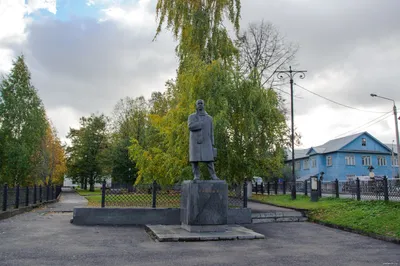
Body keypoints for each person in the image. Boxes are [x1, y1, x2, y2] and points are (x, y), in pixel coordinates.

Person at [188, 99, 219, 180]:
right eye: (198, 103)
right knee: (194, 161)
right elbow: (190, 126)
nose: (200, 104)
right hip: (195, 142)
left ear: (204, 105)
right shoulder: (191, 116)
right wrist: (201, 123)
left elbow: (211, 131)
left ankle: (213, 175)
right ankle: (196, 176)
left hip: (206, 141)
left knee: (209, 160)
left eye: (201, 103)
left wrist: (213, 143)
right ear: (196, 105)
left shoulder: (209, 118)